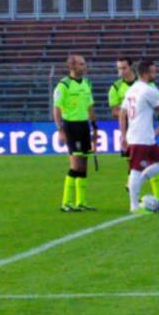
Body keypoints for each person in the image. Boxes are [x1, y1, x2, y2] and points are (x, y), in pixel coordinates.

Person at [118, 60, 159, 213]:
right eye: (153, 71)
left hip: (144, 136)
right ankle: (134, 206)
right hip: (140, 137)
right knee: (135, 169)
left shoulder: (132, 89)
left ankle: (136, 183)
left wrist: (123, 136)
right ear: (145, 73)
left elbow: (122, 113)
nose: (155, 74)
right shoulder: (149, 90)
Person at [109, 56, 159, 204]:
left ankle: (154, 197)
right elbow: (117, 111)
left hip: (145, 133)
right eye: (119, 68)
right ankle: (134, 203)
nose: (121, 71)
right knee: (134, 168)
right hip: (136, 133)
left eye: (124, 68)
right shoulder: (117, 87)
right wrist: (123, 134)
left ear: (132, 68)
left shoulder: (141, 88)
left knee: (158, 162)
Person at [53, 53, 97, 212]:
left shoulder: (86, 83)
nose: (84, 66)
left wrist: (95, 128)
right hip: (71, 127)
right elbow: (57, 109)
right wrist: (60, 130)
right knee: (76, 164)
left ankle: (81, 201)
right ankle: (66, 202)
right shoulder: (63, 85)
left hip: (84, 126)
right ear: (72, 66)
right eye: (81, 64)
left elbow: (90, 107)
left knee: (84, 164)